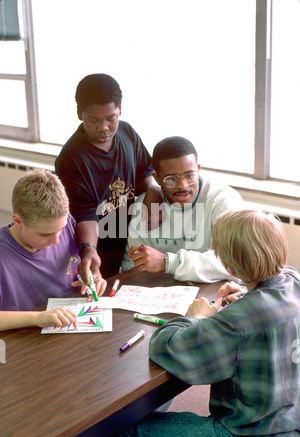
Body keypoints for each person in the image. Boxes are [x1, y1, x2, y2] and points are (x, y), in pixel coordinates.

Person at [119, 209, 300, 437]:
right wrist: (248, 295)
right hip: (290, 430)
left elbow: (166, 348)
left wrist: (194, 318)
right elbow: (267, 303)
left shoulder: (236, 322)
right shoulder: (293, 279)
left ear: (230, 269)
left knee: (129, 431)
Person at [55, 73, 161, 281]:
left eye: (111, 118)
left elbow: (145, 170)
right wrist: (89, 249)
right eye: (93, 120)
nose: (103, 127)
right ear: (80, 114)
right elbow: (84, 213)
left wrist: (152, 189)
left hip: (130, 237)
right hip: (98, 246)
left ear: (120, 110)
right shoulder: (71, 158)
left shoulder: (127, 133)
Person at [121, 136, 244, 283]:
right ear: (157, 178)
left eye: (189, 175)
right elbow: (131, 268)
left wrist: (167, 262)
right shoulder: (145, 207)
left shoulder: (223, 201)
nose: (182, 186)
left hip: (217, 294)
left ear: (198, 170)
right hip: (161, 296)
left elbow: (236, 263)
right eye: (171, 179)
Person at [0, 169, 106, 332]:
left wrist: (91, 280)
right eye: (45, 234)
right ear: (18, 221)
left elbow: (71, 273)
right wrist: (38, 317)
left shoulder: (66, 223)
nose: (56, 240)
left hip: (71, 330)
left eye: (61, 230)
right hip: (24, 342)